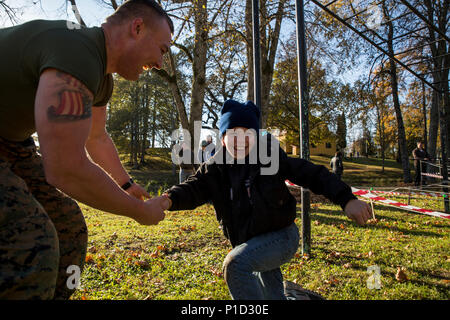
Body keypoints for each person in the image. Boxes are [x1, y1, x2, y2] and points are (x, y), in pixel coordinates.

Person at [0, 0, 173, 299]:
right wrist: (139, 212)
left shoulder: (101, 78)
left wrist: (126, 184)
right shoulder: (76, 49)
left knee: (69, 228)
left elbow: (97, 138)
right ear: (137, 28)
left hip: (12, 142)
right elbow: (65, 169)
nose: (159, 64)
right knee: (31, 240)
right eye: (162, 50)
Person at [162, 99, 372, 300]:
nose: (241, 139)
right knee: (270, 293)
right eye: (233, 133)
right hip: (251, 241)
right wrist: (167, 200)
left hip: (282, 237)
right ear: (223, 137)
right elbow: (192, 188)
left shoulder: (270, 158)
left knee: (236, 264)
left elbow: (313, 174)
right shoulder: (215, 168)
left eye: (248, 133)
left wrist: (346, 199)